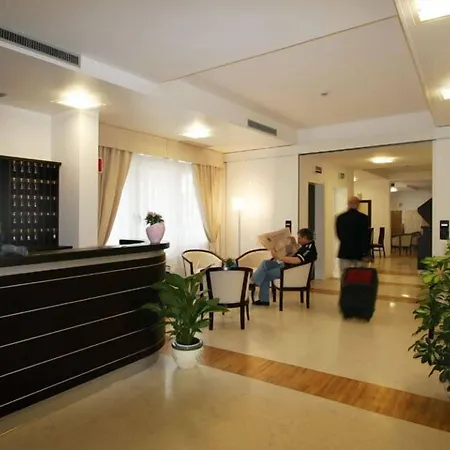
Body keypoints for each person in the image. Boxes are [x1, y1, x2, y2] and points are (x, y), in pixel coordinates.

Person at [251, 228, 317, 306]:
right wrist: (294, 243)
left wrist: (279, 257)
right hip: (286, 266)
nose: (298, 240)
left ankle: (263, 299)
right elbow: (300, 253)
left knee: (266, 274)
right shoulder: (306, 246)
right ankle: (254, 282)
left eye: (299, 238)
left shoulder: (309, 249)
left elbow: (297, 260)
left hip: (289, 270)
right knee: (265, 263)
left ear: (305, 237)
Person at [335, 196, 372, 275]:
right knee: (360, 276)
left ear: (348, 204)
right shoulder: (363, 218)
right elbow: (365, 237)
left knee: (345, 276)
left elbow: (339, 235)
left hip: (345, 251)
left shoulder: (340, 218)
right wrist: (366, 253)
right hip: (360, 252)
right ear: (358, 205)